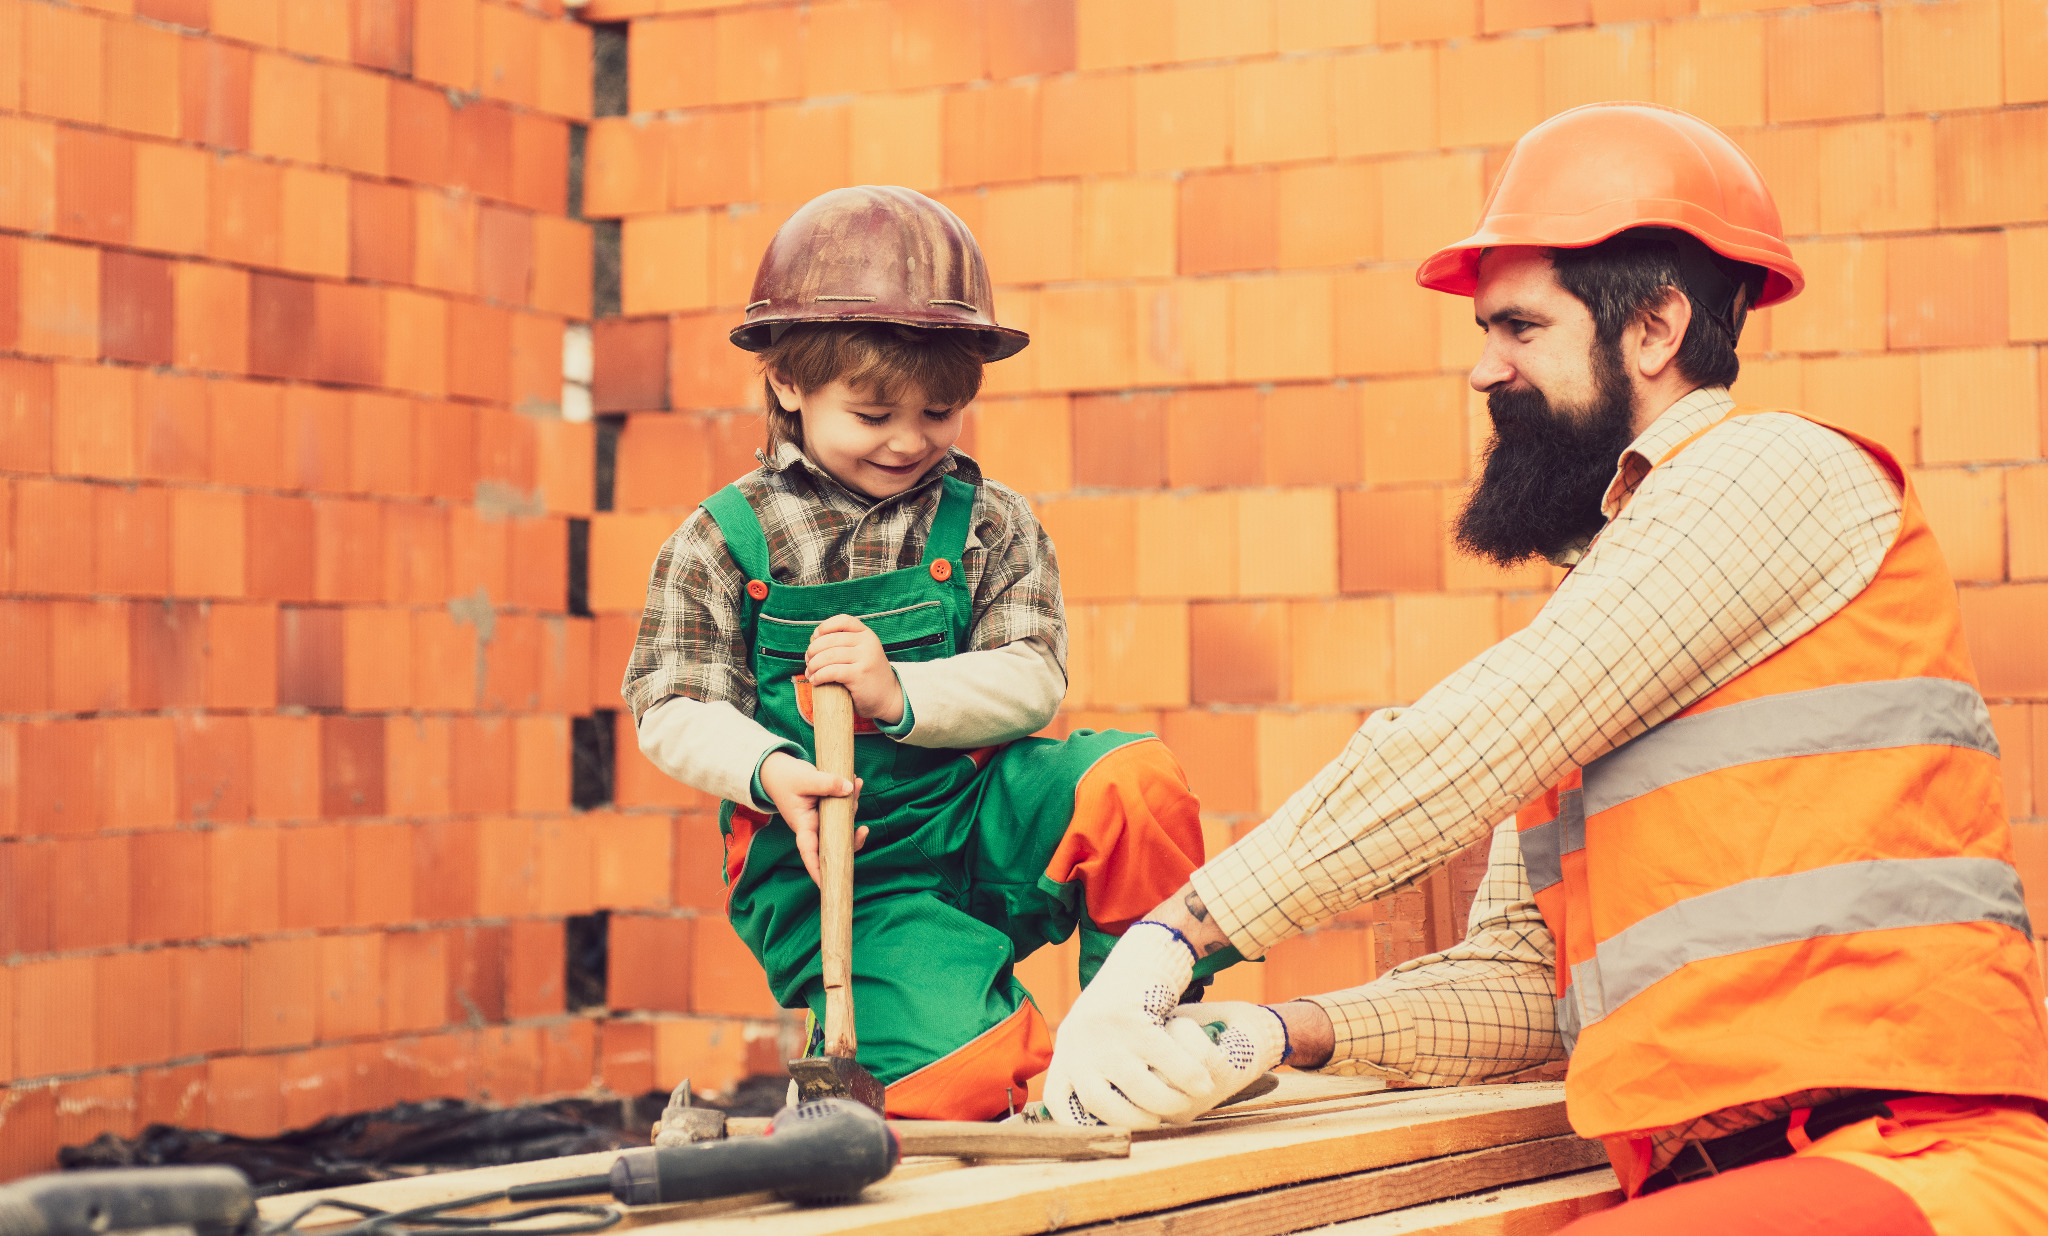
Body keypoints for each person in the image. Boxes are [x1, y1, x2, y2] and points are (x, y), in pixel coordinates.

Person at [1042, 103, 2048, 1233]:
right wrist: (1271, 1033)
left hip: (1910, 1161)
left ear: (1656, 326)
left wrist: (1176, 936)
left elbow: (1469, 741)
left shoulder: (1771, 476)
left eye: (1518, 327)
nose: (1481, 369)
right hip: (1741, 1185)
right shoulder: (1627, 599)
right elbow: (1528, 983)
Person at [622, 185, 1232, 1122]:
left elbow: (1033, 680)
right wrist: (773, 771)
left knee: (1135, 786)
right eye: (873, 417)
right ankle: (988, 1052)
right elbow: (670, 705)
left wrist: (896, 688)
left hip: (978, 819)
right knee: (973, 1080)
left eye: (940, 414)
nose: (910, 441)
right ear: (789, 384)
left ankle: (1142, 1027)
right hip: (844, 871)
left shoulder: (992, 523)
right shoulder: (720, 540)